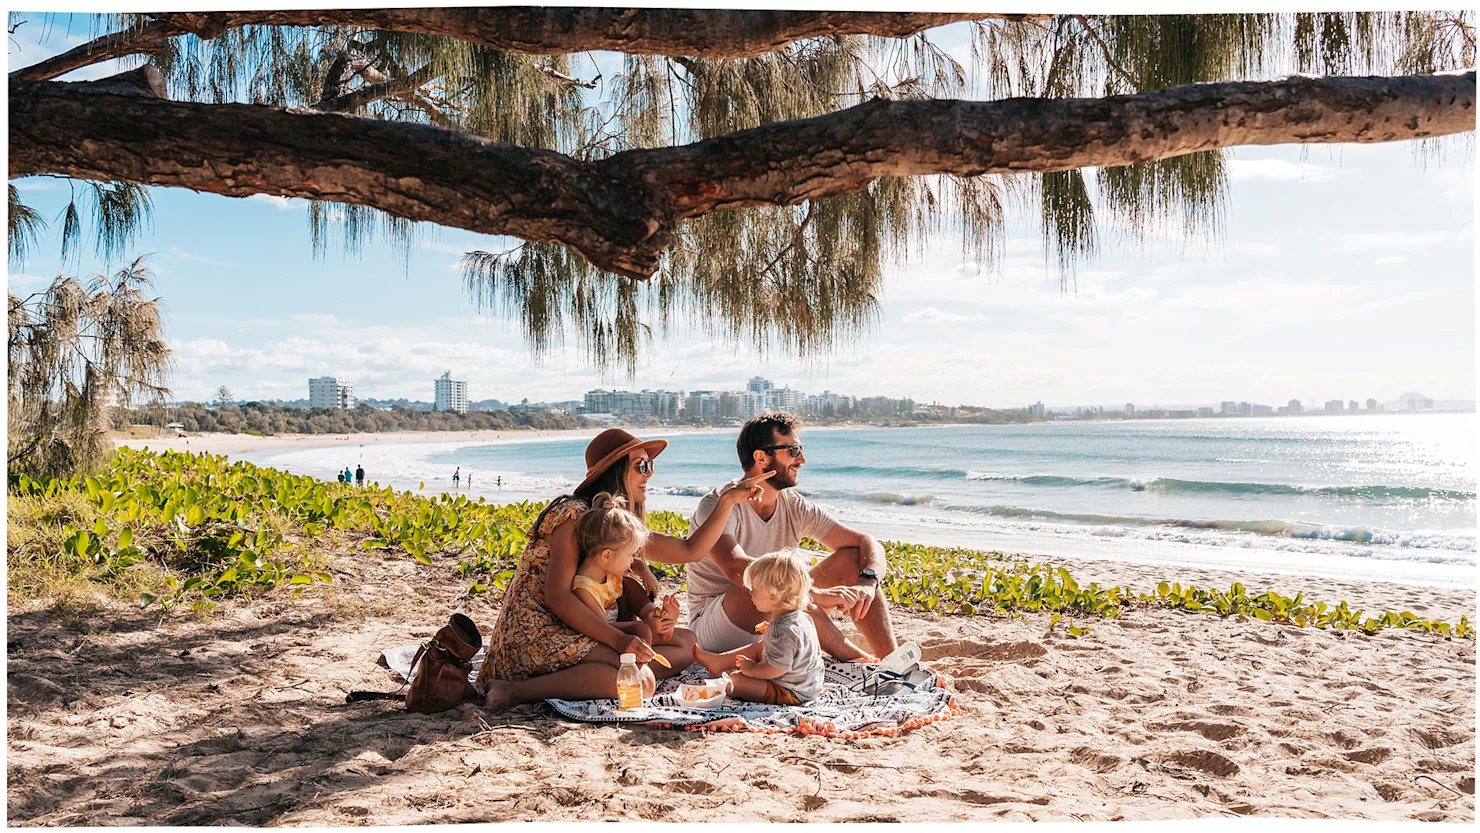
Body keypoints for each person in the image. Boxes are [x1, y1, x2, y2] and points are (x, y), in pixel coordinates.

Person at [478, 428, 773, 711]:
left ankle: (590, 675)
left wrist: (728, 500)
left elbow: (689, 551)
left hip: (579, 626)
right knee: (641, 684)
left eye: (651, 466)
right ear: (615, 470)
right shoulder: (573, 515)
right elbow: (557, 597)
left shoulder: (618, 526)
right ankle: (516, 691)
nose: (649, 474)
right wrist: (617, 640)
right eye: (641, 466)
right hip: (540, 633)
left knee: (686, 644)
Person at [688, 411, 897, 662]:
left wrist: (868, 582)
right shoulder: (719, 504)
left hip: (776, 611)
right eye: (794, 450)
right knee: (758, 582)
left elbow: (866, 542)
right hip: (718, 628)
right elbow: (736, 569)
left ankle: (893, 661)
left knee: (853, 558)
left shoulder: (793, 505)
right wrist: (815, 594)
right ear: (761, 457)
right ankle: (861, 661)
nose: (803, 459)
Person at [571, 492, 695, 670]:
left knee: (690, 639)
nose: (632, 560)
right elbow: (602, 631)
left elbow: (634, 565)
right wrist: (644, 626)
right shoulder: (584, 589)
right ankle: (644, 665)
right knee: (655, 636)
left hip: (629, 636)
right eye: (630, 555)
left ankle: (663, 625)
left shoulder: (609, 570)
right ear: (607, 555)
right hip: (610, 644)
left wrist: (644, 570)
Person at [692, 549, 823, 705]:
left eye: (754, 590)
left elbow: (777, 669)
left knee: (737, 680)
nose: (750, 593)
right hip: (810, 687)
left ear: (773, 596)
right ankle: (718, 661)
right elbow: (795, 644)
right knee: (762, 646)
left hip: (790, 693)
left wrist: (751, 669)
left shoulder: (780, 629)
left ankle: (723, 675)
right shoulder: (802, 617)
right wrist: (771, 634)